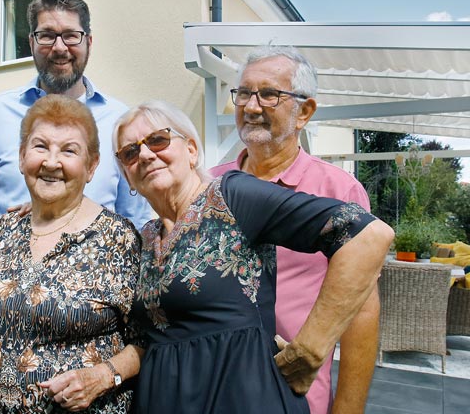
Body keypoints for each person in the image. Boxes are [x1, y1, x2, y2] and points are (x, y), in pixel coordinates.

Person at [113, 100, 394, 414]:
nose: (146, 154)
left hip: (241, 397)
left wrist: (310, 349)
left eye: (158, 140)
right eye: (130, 152)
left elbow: (366, 235)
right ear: (127, 176)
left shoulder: (232, 196)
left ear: (191, 150)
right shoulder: (145, 238)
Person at [210, 45, 377, 414]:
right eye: (243, 93)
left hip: (293, 394)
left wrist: (347, 409)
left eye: (269, 94)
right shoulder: (208, 186)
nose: (251, 107)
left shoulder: (339, 192)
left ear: (304, 112)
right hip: (213, 390)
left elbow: (361, 313)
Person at [0, 95, 143, 413]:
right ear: (22, 157)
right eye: (40, 147)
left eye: (69, 150)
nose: (52, 162)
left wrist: (104, 375)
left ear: (91, 166)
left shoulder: (119, 239)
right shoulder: (5, 229)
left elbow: (151, 339)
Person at [0, 0, 152, 228]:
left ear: (89, 42)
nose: (60, 47)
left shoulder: (120, 121)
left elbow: (134, 217)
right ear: (31, 42)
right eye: (47, 35)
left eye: (71, 35)